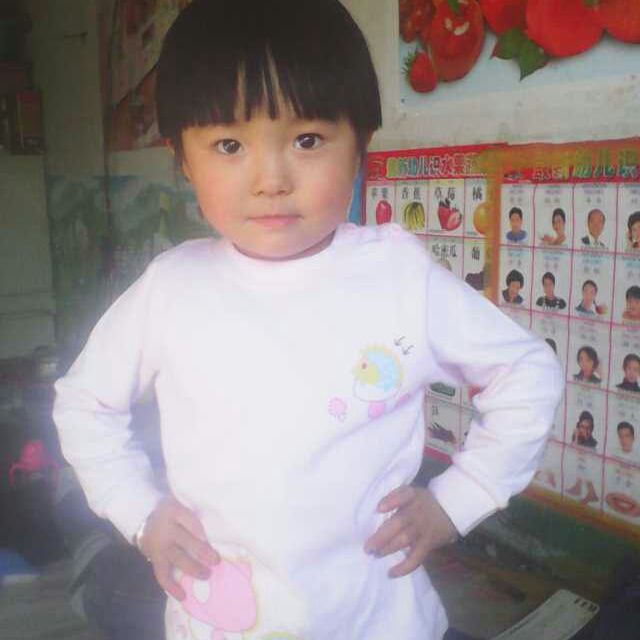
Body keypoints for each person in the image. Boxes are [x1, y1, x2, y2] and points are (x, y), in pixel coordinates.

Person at [52, 2, 563, 639]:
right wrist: (139, 511)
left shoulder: (399, 279)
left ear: (361, 144)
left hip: (379, 623)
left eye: (308, 140)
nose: (271, 180)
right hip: (219, 621)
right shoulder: (171, 289)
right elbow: (84, 404)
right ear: (182, 157)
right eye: (229, 145)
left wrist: (458, 500)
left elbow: (526, 372)